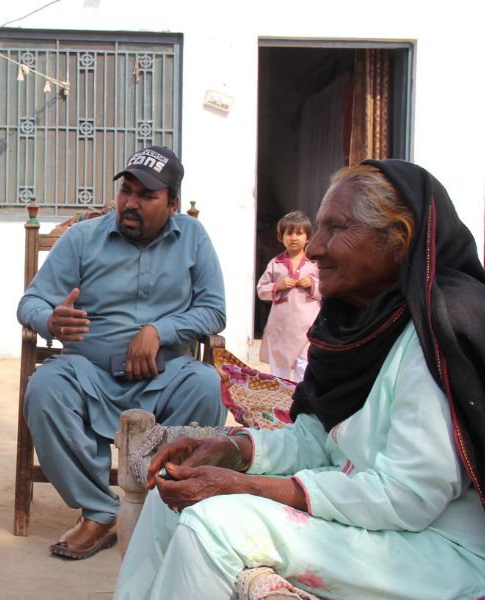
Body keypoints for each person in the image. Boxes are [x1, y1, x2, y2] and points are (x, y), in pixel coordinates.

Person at [115, 161, 485, 599]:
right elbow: (316, 441)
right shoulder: (357, 325)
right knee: (168, 499)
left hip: (437, 549)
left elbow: (406, 496)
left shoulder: (436, 334)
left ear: (398, 240)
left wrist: (245, 486)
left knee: (213, 525)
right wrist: (232, 451)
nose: (315, 250)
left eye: (336, 229)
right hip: (372, 519)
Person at [17, 146, 226, 560]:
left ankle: (161, 506)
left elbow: (214, 310)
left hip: (166, 376)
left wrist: (159, 330)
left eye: (146, 195)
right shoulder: (82, 239)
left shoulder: (194, 238)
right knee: (44, 387)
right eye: (126, 191)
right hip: (88, 374)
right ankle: (99, 512)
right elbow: (31, 303)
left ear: (172, 204)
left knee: (208, 384)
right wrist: (52, 321)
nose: (130, 203)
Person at [256, 210, 321, 382]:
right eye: (289, 233)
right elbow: (261, 290)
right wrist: (278, 286)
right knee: (279, 376)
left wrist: (313, 285)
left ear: (308, 237)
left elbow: (327, 289)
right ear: (281, 237)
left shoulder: (315, 265)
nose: (294, 237)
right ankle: (279, 409)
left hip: (307, 331)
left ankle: (299, 408)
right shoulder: (275, 264)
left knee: (304, 373)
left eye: (299, 233)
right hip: (281, 331)